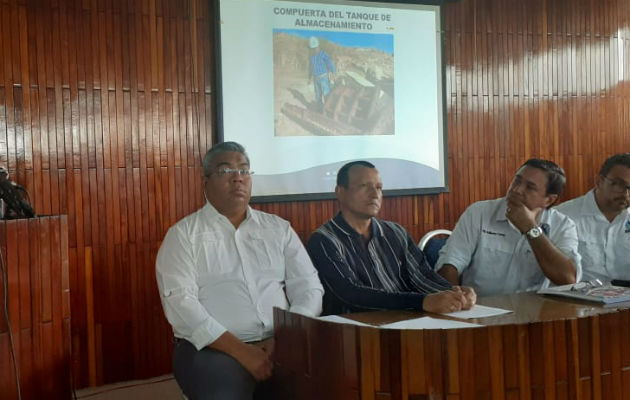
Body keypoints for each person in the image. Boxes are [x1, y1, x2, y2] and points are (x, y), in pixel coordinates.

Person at [156, 142, 324, 400]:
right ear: (206, 181)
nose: (238, 178)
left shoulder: (278, 229)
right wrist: (241, 352)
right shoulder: (183, 236)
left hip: (281, 341)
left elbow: (309, 287)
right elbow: (181, 305)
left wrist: (286, 337)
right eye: (225, 171)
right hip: (213, 348)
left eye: (244, 171)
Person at [306, 161, 476, 315]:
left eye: (379, 187)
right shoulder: (323, 241)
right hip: (356, 331)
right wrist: (422, 302)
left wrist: (455, 293)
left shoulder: (395, 232)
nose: (374, 195)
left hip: (406, 322)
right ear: (340, 192)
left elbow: (422, 277)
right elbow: (350, 294)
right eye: (365, 186)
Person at [436, 159, 582, 296]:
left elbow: (568, 279)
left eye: (530, 187)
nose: (517, 189)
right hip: (479, 309)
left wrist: (531, 229)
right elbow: (449, 264)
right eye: (517, 180)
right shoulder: (479, 213)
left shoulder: (563, 226)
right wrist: (456, 299)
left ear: (549, 200)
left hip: (532, 315)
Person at [555, 153, 630, 282]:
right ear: (599, 182)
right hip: (576, 299)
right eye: (618, 185)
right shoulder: (563, 216)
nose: (626, 194)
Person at [308, 36, 335, 111]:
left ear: (318, 46)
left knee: (326, 94)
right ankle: (319, 110)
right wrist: (309, 78)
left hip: (324, 78)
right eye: (312, 49)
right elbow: (310, 68)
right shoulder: (312, 57)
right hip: (316, 78)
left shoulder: (324, 54)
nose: (314, 50)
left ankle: (328, 110)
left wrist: (333, 73)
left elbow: (330, 63)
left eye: (315, 48)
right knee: (317, 95)